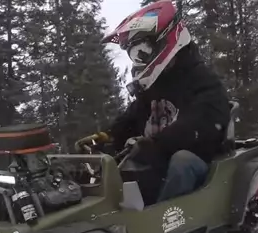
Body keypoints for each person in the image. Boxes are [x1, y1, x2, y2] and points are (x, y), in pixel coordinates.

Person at [78, 0, 231, 206]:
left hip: (199, 165)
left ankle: (165, 229)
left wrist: (156, 144)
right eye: (134, 54)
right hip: (158, 163)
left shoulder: (201, 80)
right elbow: (132, 118)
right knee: (118, 168)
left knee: (181, 162)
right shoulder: (154, 86)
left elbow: (200, 126)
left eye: (142, 50)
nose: (139, 60)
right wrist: (106, 137)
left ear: (165, 39)